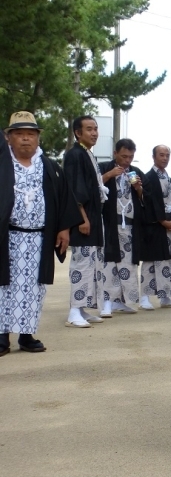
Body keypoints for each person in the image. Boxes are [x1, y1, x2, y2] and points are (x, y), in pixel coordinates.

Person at [1, 112, 82, 355]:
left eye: (30, 134)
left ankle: (26, 336)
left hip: (39, 239)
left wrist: (65, 229)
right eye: (19, 134)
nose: (25, 139)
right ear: (8, 138)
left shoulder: (50, 168)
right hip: (8, 239)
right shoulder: (3, 165)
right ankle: (2, 337)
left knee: (33, 288)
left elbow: (65, 200)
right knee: (4, 287)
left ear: (38, 138)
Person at [63, 115, 108, 327]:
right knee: (81, 265)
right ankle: (73, 311)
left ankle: (82, 308)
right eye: (89, 129)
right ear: (77, 133)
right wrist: (82, 218)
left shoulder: (88, 154)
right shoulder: (75, 155)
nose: (94, 133)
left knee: (93, 265)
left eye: (96, 128)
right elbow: (74, 188)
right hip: (83, 218)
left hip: (93, 216)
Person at [99, 138, 147, 317]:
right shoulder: (104, 167)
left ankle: (122, 301)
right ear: (115, 154)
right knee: (108, 263)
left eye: (131, 157)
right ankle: (106, 302)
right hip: (109, 223)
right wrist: (109, 175)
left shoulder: (135, 172)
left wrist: (138, 189)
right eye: (124, 156)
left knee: (128, 264)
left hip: (129, 226)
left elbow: (144, 198)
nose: (127, 161)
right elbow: (92, 188)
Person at [140, 145, 171, 310]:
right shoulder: (148, 178)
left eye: (167, 155)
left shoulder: (170, 180)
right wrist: (161, 220)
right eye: (161, 155)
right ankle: (145, 297)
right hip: (154, 227)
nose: (164, 158)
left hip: (170, 226)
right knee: (151, 262)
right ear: (154, 157)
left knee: (169, 262)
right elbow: (149, 202)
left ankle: (166, 297)